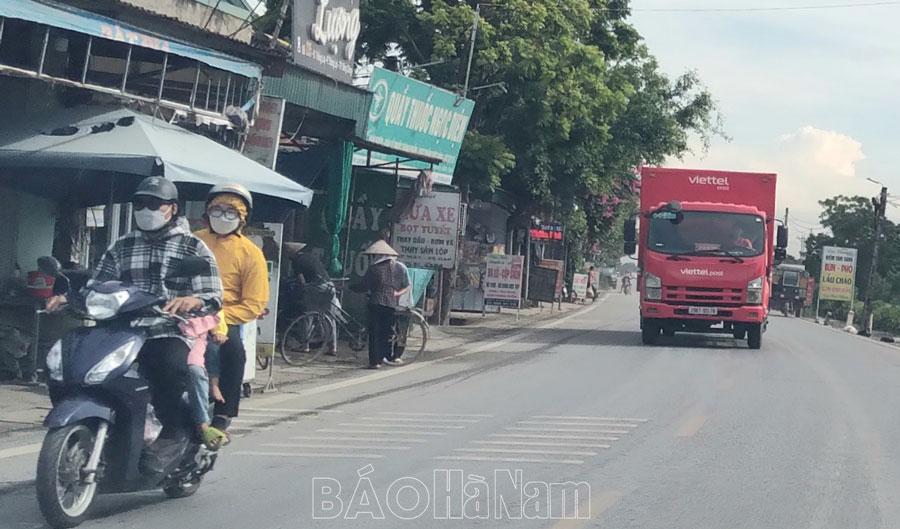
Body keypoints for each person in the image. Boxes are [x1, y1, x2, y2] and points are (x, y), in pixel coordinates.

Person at [46, 177, 223, 441]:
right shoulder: (122, 245)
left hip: (168, 330)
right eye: (140, 203)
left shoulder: (192, 247)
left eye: (154, 204)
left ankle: (173, 434)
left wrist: (193, 301)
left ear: (172, 208)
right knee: (69, 364)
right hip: (119, 329)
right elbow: (98, 284)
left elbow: (213, 295)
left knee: (169, 367)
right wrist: (68, 297)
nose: (146, 210)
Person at [195, 184, 269, 432]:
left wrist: (221, 316)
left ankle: (224, 412)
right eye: (217, 210)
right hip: (187, 313)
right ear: (207, 212)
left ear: (242, 218)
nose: (223, 216)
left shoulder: (251, 253)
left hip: (225, 318)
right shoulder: (193, 241)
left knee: (234, 352)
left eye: (231, 212)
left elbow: (255, 303)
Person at [351, 240, 410, 369]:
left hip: (376, 303)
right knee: (386, 332)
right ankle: (385, 357)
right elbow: (406, 285)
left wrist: (352, 287)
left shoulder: (374, 269)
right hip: (391, 304)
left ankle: (375, 361)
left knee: (375, 333)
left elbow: (364, 286)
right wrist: (397, 293)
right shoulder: (400, 267)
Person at [179, 313, 228, 449]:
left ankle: (203, 425)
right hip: (155, 333)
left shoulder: (205, 297)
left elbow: (215, 307)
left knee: (195, 370)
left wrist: (219, 331)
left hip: (192, 335)